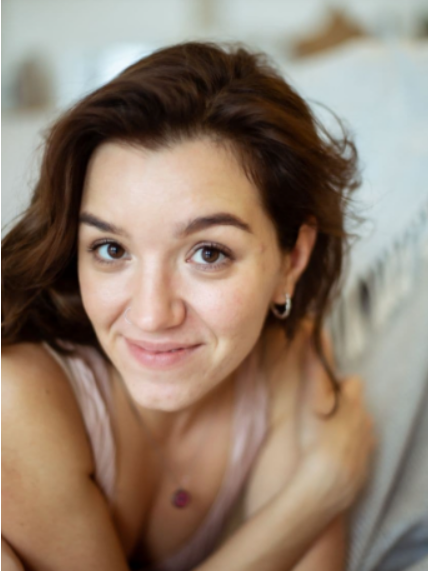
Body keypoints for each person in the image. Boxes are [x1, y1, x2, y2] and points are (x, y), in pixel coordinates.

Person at [1, 41, 375, 571]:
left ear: (292, 260)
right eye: (111, 249)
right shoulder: (18, 400)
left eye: (208, 253)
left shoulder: (289, 360)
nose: (152, 315)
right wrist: (316, 494)